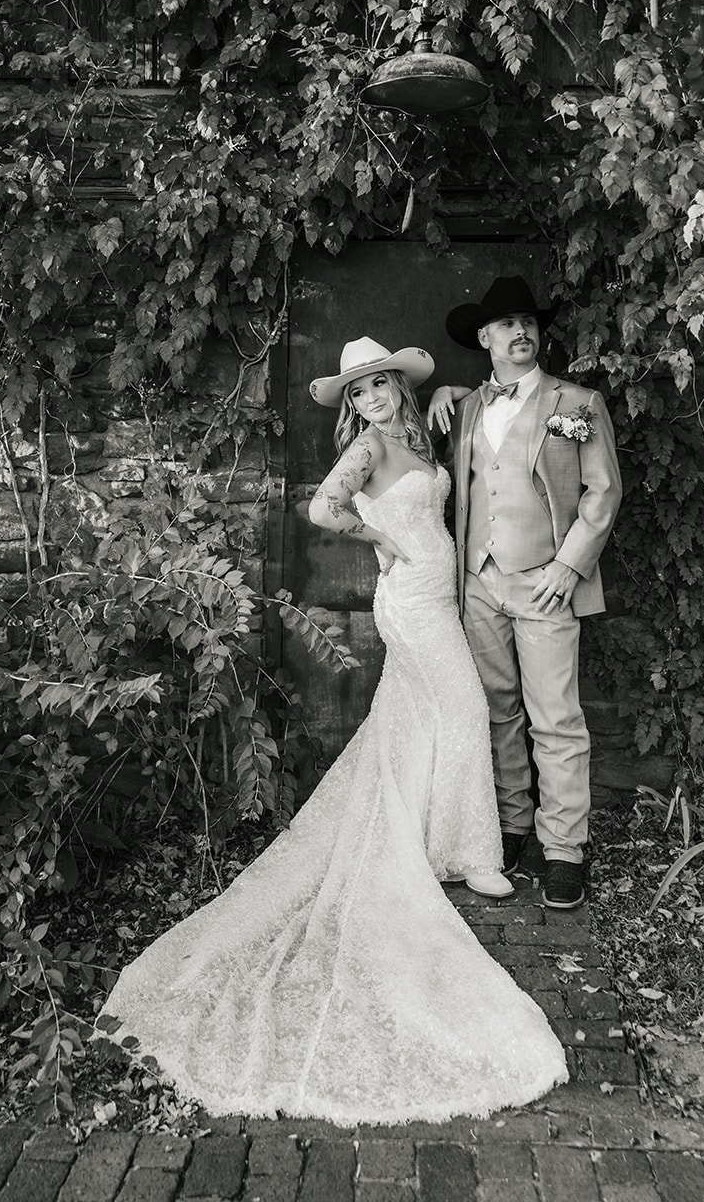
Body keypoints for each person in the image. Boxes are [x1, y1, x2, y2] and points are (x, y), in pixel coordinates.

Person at [97, 335, 567, 1125]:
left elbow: (449, 435)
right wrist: (378, 537)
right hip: (411, 600)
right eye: (363, 391)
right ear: (352, 404)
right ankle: (470, 853)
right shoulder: (370, 446)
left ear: (397, 389)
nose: (375, 397)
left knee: (416, 716)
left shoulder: (415, 435)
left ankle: (431, 838)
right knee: (459, 707)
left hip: (434, 591)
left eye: (383, 385)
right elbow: (322, 507)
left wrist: (452, 401)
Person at [428, 276, 623, 913]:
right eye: (506, 324)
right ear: (484, 338)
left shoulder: (578, 402)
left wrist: (569, 567)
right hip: (478, 582)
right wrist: (442, 391)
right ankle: (510, 827)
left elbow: (603, 491)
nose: (520, 332)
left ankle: (565, 848)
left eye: (528, 323)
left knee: (556, 718)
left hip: (544, 581)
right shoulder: (467, 408)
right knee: (496, 711)